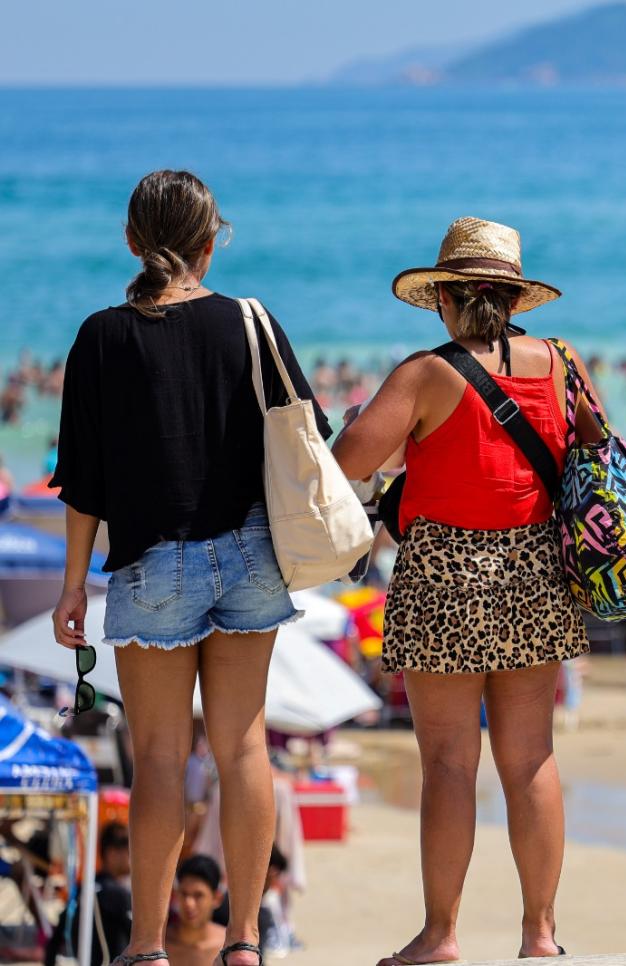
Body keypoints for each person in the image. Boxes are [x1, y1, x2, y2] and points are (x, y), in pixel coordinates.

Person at [50, 170, 320, 966]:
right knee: (242, 750)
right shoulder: (249, 320)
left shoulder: (103, 335)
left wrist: (74, 583)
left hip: (152, 562)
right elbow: (308, 428)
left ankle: (143, 948)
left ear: (132, 242)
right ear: (210, 242)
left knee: (160, 757)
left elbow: (83, 479)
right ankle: (241, 939)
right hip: (250, 553)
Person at [331, 218, 599, 961]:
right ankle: (540, 934)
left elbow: (349, 461)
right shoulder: (562, 362)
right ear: (513, 298)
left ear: (444, 299)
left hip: (444, 573)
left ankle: (441, 934)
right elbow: (593, 452)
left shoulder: (424, 373)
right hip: (537, 570)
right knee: (532, 759)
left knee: (449, 762)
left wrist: (369, 426)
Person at [45, 822, 132, 965]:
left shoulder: (83, 889)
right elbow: (140, 941)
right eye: (129, 852)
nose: (132, 859)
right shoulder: (119, 895)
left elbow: (55, 941)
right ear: (112, 854)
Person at [166, 855, 227, 966]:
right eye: (184, 893)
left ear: (217, 898)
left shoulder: (228, 946)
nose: (188, 903)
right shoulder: (160, 945)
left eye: (198, 895)